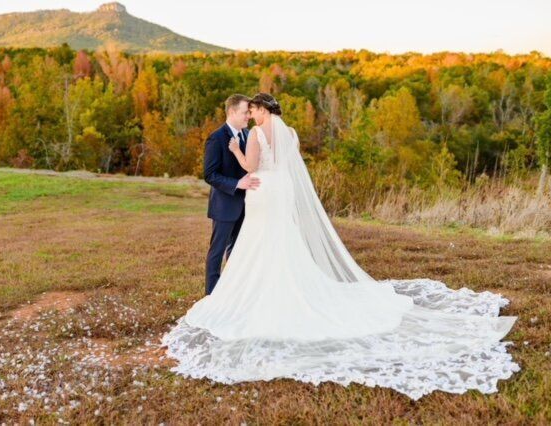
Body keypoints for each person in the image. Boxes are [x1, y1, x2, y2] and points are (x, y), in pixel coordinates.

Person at [162, 93, 519, 400]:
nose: (251, 114)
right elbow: (284, 166)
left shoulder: (254, 133)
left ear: (263, 111)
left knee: (259, 244)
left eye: (254, 109)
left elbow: (252, 166)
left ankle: (250, 296)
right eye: (248, 110)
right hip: (276, 192)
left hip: (259, 191)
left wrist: (237, 152)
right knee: (275, 244)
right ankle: (262, 289)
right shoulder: (289, 133)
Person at [202, 94, 260, 295]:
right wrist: (237, 183)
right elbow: (209, 174)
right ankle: (212, 295)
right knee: (217, 252)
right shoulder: (216, 138)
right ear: (232, 112)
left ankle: (232, 294)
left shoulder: (248, 135)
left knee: (237, 252)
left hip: (246, 205)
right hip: (225, 206)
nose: (248, 117)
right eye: (245, 113)